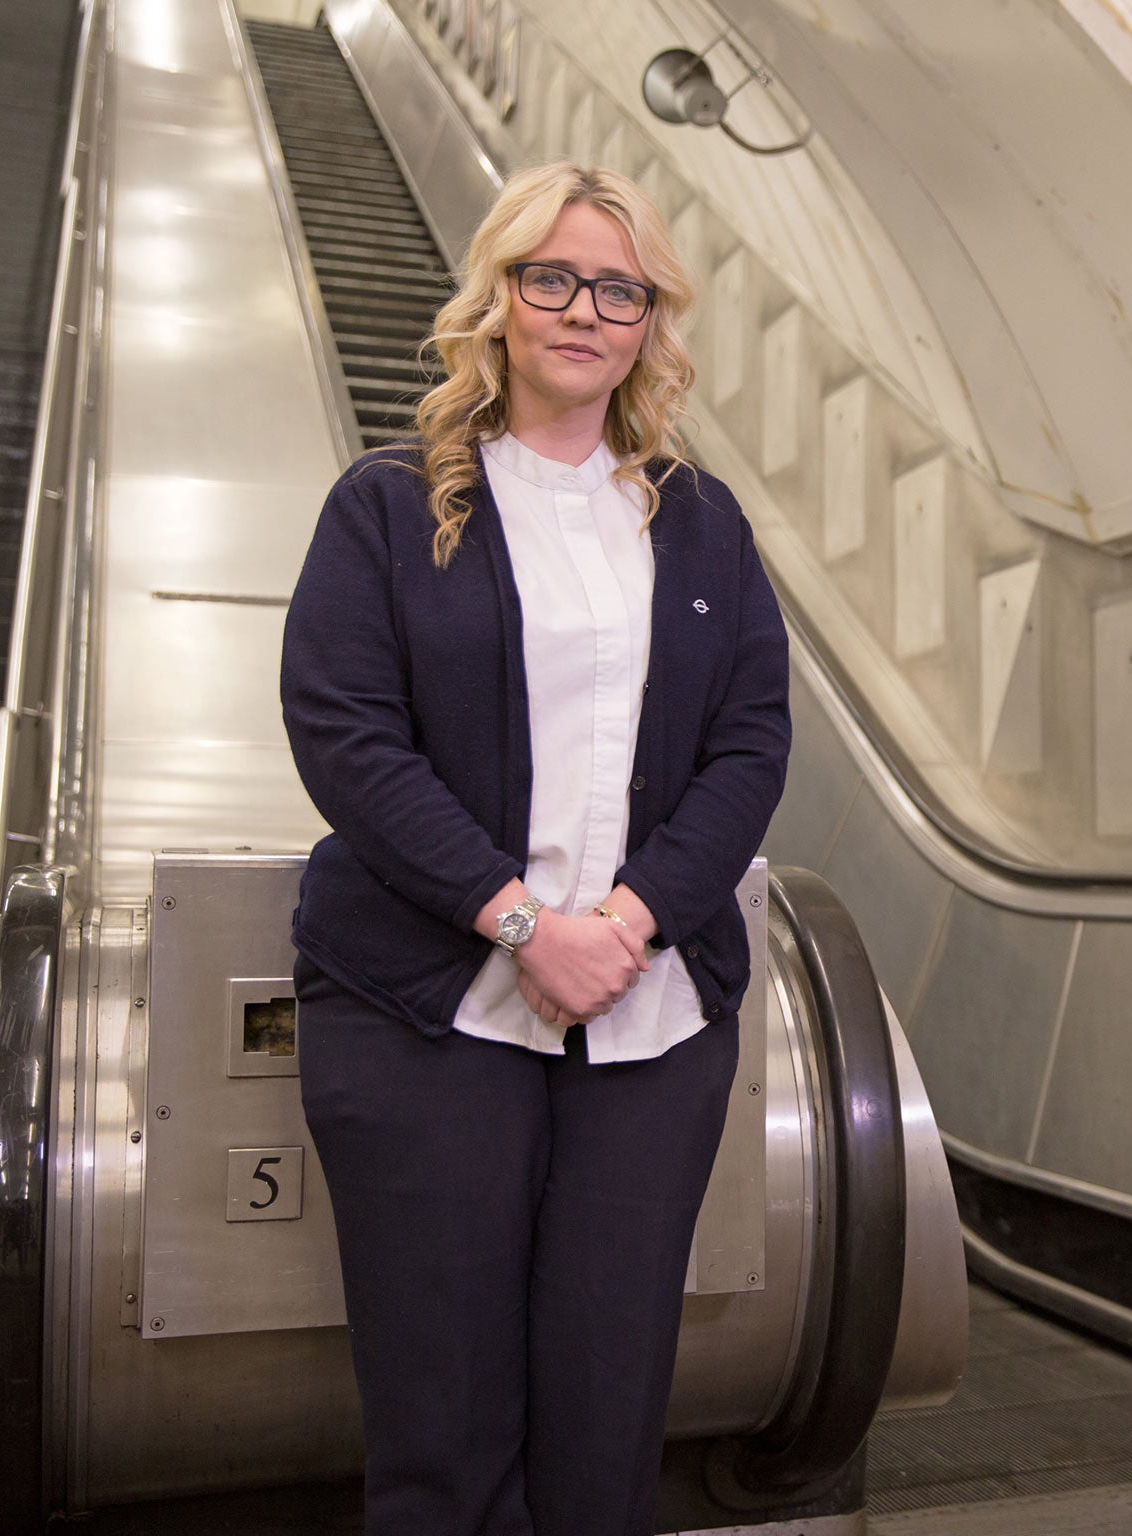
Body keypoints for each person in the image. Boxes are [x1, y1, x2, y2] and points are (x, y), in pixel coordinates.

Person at [280, 161, 790, 1536]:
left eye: (617, 288)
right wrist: (522, 924)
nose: (582, 308)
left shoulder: (700, 520)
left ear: (650, 322)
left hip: (651, 1020)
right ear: (496, 298)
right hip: (425, 1011)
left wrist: (625, 928)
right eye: (549, 277)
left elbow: (750, 747)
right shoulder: (388, 506)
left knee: (610, 1402)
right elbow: (346, 737)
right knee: (441, 1417)